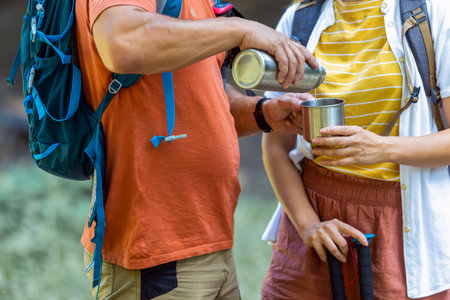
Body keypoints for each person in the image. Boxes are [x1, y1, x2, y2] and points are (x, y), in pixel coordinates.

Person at [74, 0, 319, 299]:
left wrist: (263, 112)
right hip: (156, 251)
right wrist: (241, 29)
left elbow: (202, 92)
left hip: (210, 242)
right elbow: (123, 43)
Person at [261, 0, 450, 299]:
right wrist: (308, 225)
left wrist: (382, 148)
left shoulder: (435, 12)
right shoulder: (299, 18)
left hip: (403, 222)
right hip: (314, 215)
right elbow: (275, 142)